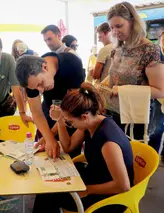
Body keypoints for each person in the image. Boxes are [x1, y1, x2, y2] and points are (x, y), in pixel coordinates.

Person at [33, 83, 134, 213]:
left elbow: (123, 186)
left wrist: (88, 190)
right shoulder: (90, 123)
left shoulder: (108, 142)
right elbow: (68, 147)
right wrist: (60, 121)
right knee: (47, 186)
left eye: (70, 122)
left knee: (49, 196)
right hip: (95, 176)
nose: (71, 125)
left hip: (110, 195)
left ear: (84, 117)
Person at [104, 2, 164, 151]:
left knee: (134, 164)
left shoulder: (149, 50)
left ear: (133, 22)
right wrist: (101, 86)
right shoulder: (117, 48)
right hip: (114, 115)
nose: (115, 31)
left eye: (119, 26)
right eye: (111, 28)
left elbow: (161, 90)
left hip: (136, 119)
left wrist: (123, 90)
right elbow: (114, 76)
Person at [16, 53, 85, 159]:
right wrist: (49, 137)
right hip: (49, 114)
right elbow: (36, 112)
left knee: (68, 157)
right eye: (36, 88)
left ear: (45, 67)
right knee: (47, 156)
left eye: (40, 83)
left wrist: (51, 134)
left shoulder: (71, 64)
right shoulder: (31, 80)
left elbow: (75, 107)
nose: (41, 90)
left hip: (72, 117)